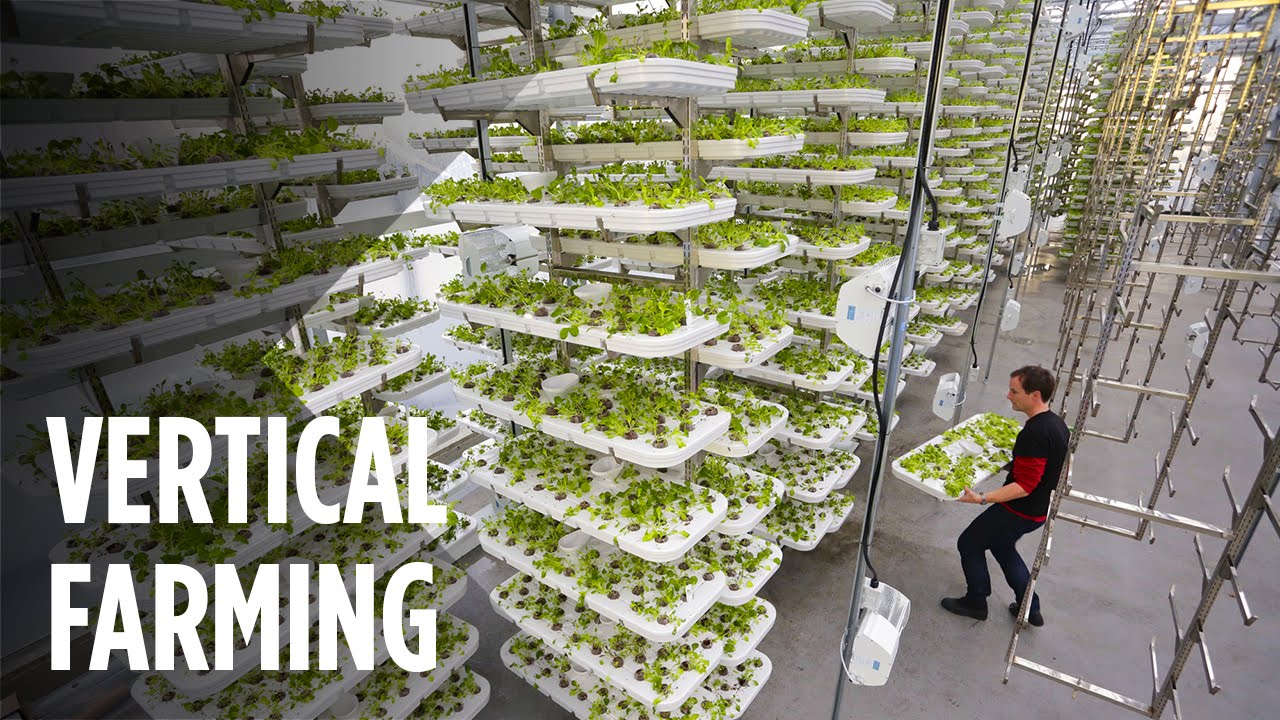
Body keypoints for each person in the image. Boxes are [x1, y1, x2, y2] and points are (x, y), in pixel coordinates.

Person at [940, 365, 1069, 626]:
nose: (1008, 396)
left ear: (1035, 395)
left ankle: (976, 601)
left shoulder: (1034, 433)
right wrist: (1007, 463)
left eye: (1014, 391)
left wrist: (982, 497)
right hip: (1038, 509)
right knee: (1002, 546)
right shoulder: (1056, 425)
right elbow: (1044, 468)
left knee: (969, 543)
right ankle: (1030, 607)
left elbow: (1025, 485)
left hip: (1019, 510)